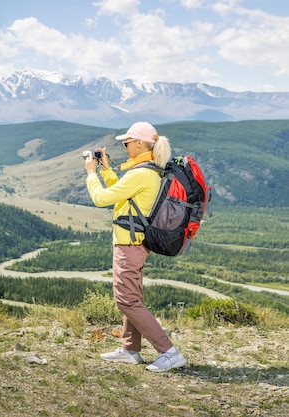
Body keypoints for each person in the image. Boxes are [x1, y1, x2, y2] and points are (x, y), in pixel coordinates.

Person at [84, 121, 187, 372]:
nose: (125, 146)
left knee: (126, 301)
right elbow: (122, 192)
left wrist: (91, 173)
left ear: (140, 144)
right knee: (133, 297)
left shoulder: (141, 173)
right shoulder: (148, 171)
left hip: (129, 243)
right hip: (135, 242)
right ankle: (131, 349)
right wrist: (107, 170)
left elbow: (102, 198)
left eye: (127, 143)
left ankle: (169, 352)